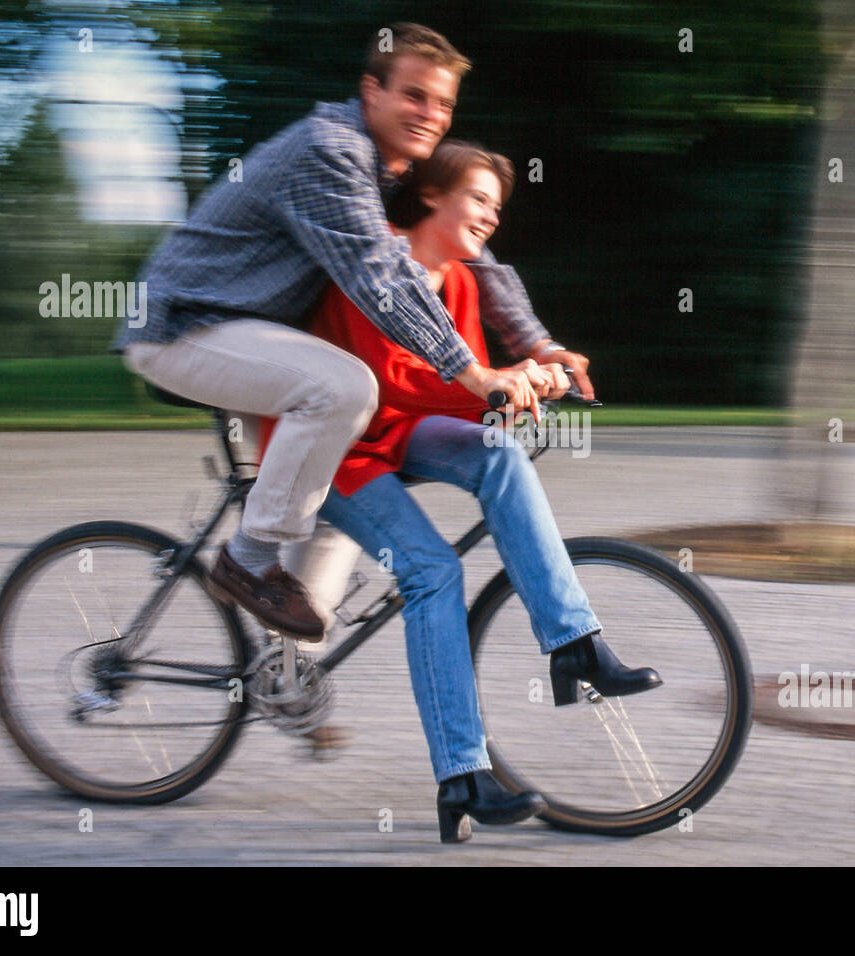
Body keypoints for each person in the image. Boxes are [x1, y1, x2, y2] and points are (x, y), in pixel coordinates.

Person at [111, 23, 592, 638]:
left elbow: (474, 255)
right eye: (414, 94)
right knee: (344, 388)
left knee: (334, 483)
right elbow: (381, 278)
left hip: (252, 333)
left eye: (443, 102)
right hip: (186, 324)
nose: (430, 114)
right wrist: (475, 372)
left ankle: (289, 687)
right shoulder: (330, 152)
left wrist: (538, 345)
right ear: (371, 91)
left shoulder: (389, 169)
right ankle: (246, 562)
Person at [260, 140, 660, 842]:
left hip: (396, 434)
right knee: (432, 570)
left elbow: (449, 399)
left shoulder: (466, 284)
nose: (489, 216)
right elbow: (392, 381)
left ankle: (575, 643)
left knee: (501, 457)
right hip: (333, 451)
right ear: (431, 197)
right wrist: (499, 379)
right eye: (477, 198)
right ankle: (463, 778)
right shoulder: (376, 259)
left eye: (496, 206)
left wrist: (521, 389)